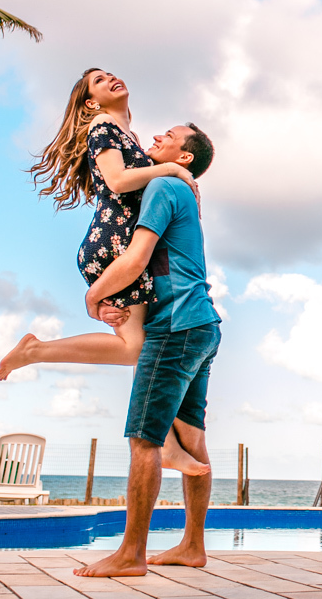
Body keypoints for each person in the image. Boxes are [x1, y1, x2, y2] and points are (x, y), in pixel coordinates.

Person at [0, 68, 206, 476]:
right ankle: (35, 350)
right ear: (91, 102)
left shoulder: (126, 135)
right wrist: (173, 170)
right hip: (113, 246)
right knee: (136, 350)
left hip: (115, 246)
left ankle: (164, 444)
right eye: (98, 80)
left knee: (138, 349)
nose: (110, 78)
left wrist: (170, 167)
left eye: (109, 73)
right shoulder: (102, 125)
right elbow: (116, 180)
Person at [74, 123, 220, 578]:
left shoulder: (162, 184)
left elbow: (137, 258)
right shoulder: (183, 194)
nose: (157, 136)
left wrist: (93, 296)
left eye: (170, 135)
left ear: (185, 157)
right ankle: (192, 546)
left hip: (175, 326)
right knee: (191, 440)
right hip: (202, 325)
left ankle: (130, 553)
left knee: (145, 439)